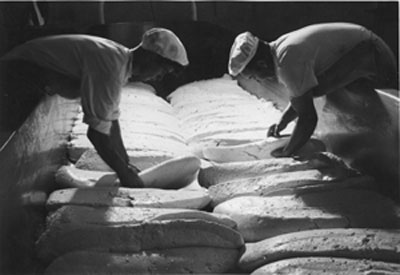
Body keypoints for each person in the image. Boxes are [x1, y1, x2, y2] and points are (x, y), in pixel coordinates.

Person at [0, 28, 189, 187]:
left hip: (21, 74)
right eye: (163, 71)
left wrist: (126, 163)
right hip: (14, 76)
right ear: (151, 58)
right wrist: (124, 173)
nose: (159, 78)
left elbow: (110, 120)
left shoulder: (117, 60)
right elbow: (96, 133)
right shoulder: (110, 66)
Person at [228, 22, 397, 158]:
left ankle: (384, 149)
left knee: (376, 120)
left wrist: (288, 151)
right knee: (321, 91)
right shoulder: (280, 51)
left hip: (371, 54)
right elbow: (300, 95)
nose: (256, 80)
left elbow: (308, 118)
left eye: (253, 76)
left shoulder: (287, 61)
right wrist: (284, 122)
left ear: (261, 65)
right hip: (361, 49)